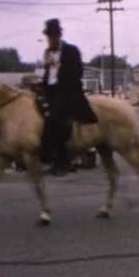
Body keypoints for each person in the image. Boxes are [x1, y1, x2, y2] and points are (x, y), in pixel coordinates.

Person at [41, 18, 98, 175]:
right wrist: (43, 85)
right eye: (48, 37)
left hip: (68, 92)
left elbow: (77, 73)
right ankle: (49, 157)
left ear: (58, 36)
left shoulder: (71, 50)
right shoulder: (48, 53)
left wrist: (61, 83)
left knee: (55, 119)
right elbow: (48, 74)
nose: (49, 40)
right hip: (51, 91)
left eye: (51, 36)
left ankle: (64, 161)